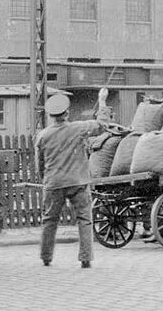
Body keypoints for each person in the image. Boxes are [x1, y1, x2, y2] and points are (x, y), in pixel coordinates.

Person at [35, 88, 112, 269]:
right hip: (78, 182)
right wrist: (101, 100)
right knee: (84, 219)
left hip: (53, 183)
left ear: (52, 116)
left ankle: (46, 257)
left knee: (49, 220)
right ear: (67, 113)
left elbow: (40, 164)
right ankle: (85, 258)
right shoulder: (78, 128)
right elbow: (102, 125)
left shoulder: (43, 135)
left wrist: (45, 180)